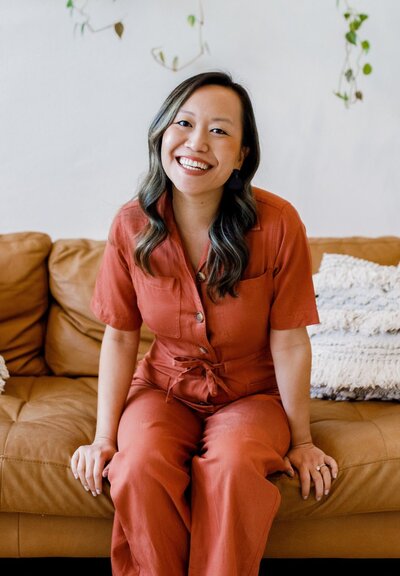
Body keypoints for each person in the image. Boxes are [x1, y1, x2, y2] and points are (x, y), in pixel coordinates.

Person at [71, 70, 338, 576]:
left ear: (241, 155)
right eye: (184, 123)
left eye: (219, 130)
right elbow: (121, 335)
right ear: (161, 134)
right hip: (161, 387)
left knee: (235, 468)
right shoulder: (131, 224)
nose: (197, 142)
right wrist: (104, 437)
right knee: (138, 465)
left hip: (252, 394)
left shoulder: (279, 224)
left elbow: (289, 342)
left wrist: (302, 441)